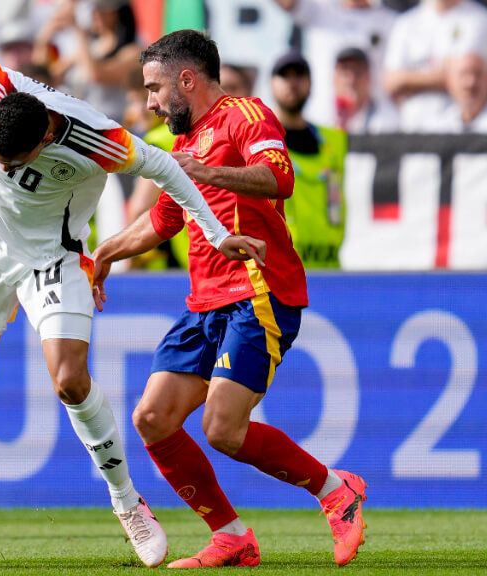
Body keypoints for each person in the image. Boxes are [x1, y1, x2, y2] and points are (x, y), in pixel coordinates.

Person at [0, 14, 264, 568]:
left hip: (53, 254)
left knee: (69, 379)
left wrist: (216, 233)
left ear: (43, 138)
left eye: (13, 163)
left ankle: (127, 501)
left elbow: (168, 170)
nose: (3, 167)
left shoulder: (99, 140)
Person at [91, 30, 367, 568]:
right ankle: (231, 535)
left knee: (222, 427)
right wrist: (106, 252)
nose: (149, 101)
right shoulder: (185, 143)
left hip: (258, 291)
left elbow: (280, 177)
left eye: (154, 88)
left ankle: (337, 489)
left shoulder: (247, 114)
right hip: (205, 305)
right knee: (152, 418)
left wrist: (210, 172)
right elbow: (165, 219)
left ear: (186, 80)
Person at [270, 51, 347, 269]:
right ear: (271, 84)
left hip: (329, 263)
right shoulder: (262, 139)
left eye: (299, 75)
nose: (292, 83)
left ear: (311, 83)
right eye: (285, 76)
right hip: (284, 266)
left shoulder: (335, 141)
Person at [274, 0, 396, 126]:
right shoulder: (319, 9)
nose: (350, 77)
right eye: (345, 69)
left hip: (374, 125)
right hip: (322, 123)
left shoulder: (390, 20)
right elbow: (288, 4)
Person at [384, 0, 487, 132]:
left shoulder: (479, 19)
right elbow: (391, 82)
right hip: (412, 126)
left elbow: (467, 76)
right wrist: (446, 73)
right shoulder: (406, 23)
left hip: (459, 127)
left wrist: (409, 79)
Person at [423, 51, 487, 134]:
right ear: (450, 82)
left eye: (478, 74)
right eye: (463, 74)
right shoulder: (437, 124)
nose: (470, 82)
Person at [334, 46, 399, 134]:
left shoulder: (385, 121)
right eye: (345, 73)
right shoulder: (319, 120)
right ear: (334, 78)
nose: (351, 80)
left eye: (358, 72)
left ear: (369, 77)